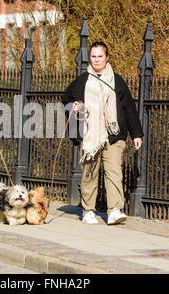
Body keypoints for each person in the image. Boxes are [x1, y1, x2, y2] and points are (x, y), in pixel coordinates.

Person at [62, 41, 143, 225]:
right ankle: (88, 210)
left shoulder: (118, 81)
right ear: (90, 58)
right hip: (91, 135)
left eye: (100, 56)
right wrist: (74, 106)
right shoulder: (82, 80)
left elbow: (129, 108)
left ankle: (114, 210)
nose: (96, 60)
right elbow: (66, 98)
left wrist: (136, 134)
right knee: (90, 172)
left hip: (114, 134)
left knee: (114, 172)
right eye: (93, 56)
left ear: (107, 58)